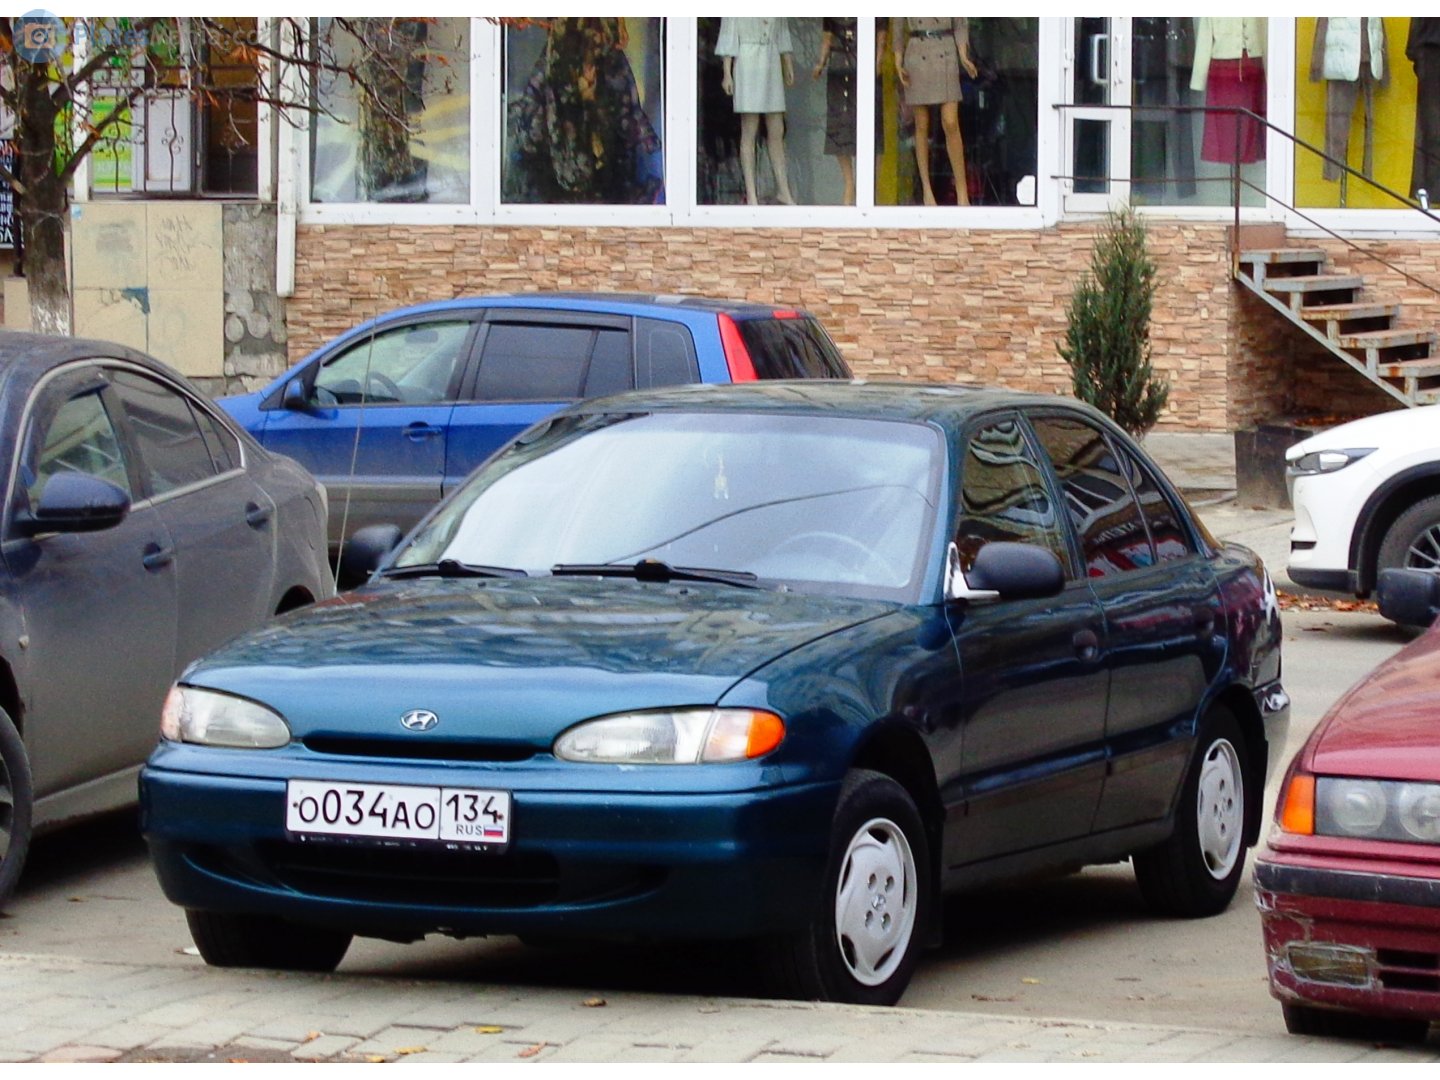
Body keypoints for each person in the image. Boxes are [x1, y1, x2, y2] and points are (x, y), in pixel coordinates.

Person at [894, 17, 977, 206]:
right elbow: (898, 25)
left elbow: (960, 22)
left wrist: (963, 56)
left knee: (950, 122)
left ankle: (962, 194)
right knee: (921, 125)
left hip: (946, 54)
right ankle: (927, 191)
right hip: (916, 54)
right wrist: (898, 62)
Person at [717, 17, 796, 206]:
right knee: (749, 130)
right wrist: (727, 73)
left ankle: (783, 190)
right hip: (747, 62)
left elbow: (782, 32)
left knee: (776, 128)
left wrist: (787, 63)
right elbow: (729, 36)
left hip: (771, 61)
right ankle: (751, 194)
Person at [812, 18, 858, 206]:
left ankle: (865, 187)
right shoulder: (832, 12)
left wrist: (876, 66)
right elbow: (826, 40)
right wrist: (820, 64)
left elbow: (880, 37)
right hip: (838, 67)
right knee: (839, 120)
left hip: (861, 67)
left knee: (863, 123)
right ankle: (849, 182)